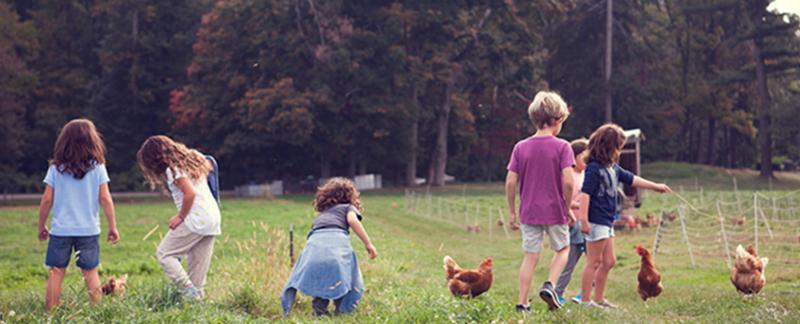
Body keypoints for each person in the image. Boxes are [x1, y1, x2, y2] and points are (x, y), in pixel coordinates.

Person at [577, 124, 671, 308]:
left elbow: (632, 179)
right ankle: (585, 302)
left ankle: (599, 299)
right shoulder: (594, 168)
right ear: (608, 146)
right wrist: (583, 220)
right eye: (618, 146)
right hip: (596, 221)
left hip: (607, 221)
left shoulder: (613, 168)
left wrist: (655, 186)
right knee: (593, 262)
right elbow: (585, 194)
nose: (619, 150)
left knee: (609, 261)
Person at [37, 119, 120, 311]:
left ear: (64, 142)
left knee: (56, 272)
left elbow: (46, 200)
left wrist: (41, 226)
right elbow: (106, 199)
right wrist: (112, 227)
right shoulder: (98, 168)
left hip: (61, 230)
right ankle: (98, 312)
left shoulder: (56, 169)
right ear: (93, 141)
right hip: (88, 230)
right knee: (90, 271)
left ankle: (51, 314)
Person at [506, 91, 576, 312]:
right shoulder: (563, 147)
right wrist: (567, 207)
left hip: (529, 211)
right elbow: (568, 183)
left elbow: (510, 182)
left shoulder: (520, 147)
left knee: (531, 256)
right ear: (557, 120)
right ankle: (551, 285)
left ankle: (522, 303)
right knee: (563, 249)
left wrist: (512, 212)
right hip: (555, 210)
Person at [137, 135, 221, 299]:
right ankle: (197, 303)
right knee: (197, 268)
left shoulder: (173, 169)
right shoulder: (192, 161)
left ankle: (187, 290)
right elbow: (211, 165)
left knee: (165, 254)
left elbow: (189, 193)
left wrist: (180, 217)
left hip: (196, 219)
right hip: (212, 218)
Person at [281, 178, 377, 316]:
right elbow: (352, 220)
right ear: (351, 196)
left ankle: (319, 312)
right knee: (342, 275)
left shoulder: (322, 215)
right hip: (336, 243)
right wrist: (368, 243)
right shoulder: (348, 208)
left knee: (321, 277)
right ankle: (342, 310)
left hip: (314, 247)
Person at [554, 138, 589, 305]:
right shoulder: (570, 177)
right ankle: (558, 293)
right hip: (574, 223)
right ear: (574, 157)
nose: (587, 160)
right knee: (570, 262)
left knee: (598, 261)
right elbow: (563, 200)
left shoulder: (586, 174)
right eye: (584, 157)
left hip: (588, 222)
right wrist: (582, 204)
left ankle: (584, 294)